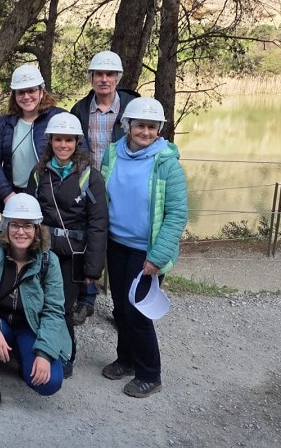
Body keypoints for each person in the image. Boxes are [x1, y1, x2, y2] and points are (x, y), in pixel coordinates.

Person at [100, 97, 187, 398]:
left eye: (152, 126)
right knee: (121, 309)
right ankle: (126, 359)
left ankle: (150, 374)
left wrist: (158, 256)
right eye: (140, 125)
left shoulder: (166, 163)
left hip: (146, 250)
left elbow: (177, 214)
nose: (145, 132)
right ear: (128, 126)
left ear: (159, 128)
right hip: (116, 243)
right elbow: (102, 197)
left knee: (137, 313)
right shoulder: (113, 154)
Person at [0, 194, 70, 407]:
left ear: (37, 229)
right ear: (6, 226)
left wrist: (44, 353)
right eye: (15, 225)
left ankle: (24, 357)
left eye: (27, 226)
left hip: (30, 326)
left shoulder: (50, 262)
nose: (20, 231)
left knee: (50, 383)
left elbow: (54, 311)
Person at [25, 113, 108, 378]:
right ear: (50, 141)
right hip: (43, 248)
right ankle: (40, 349)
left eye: (69, 140)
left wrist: (93, 269)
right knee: (38, 300)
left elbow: (98, 223)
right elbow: (27, 214)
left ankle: (66, 353)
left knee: (62, 307)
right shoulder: (39, 175)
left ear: (77, 142)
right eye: (58, 139)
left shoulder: (90, 177)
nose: (63, 145)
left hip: (74, 253)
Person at [69, 50, 140, 325]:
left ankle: (123, 307)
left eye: (109, 74)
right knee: (88, 240)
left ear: (118, 77)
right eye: (98, 74)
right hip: (89, 186)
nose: (104, 79)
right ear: (91, 78)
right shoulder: (80, 110)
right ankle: (86, 300)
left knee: (121, 246)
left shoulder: (132, 107)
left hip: (124, 188)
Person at [0, 64, 67, 207]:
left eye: (31, 91)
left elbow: (79, 154)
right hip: (15, 196)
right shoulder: (6, 122)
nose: (26, 97)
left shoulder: (59, 118)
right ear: (14, 95)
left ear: (41, 92)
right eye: (21, 92)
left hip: (50, 196)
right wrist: (6, 194)